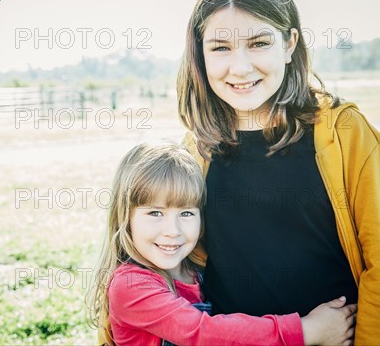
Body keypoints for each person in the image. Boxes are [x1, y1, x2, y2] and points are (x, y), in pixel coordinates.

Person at [176, 0, 380, 345]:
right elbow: (176, 263)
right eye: (220, 47)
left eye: (258, 43)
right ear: (200, 54)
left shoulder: (345, 135)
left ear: (289, 44)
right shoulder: (197, 148)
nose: (240, 67)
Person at [87, 142, 356, 346]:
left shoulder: (197, 268)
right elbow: (204, 333)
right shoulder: (131, 285)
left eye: (186, 213)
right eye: (155, 213)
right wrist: (306, 330)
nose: (173, 231)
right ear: (125, 216)